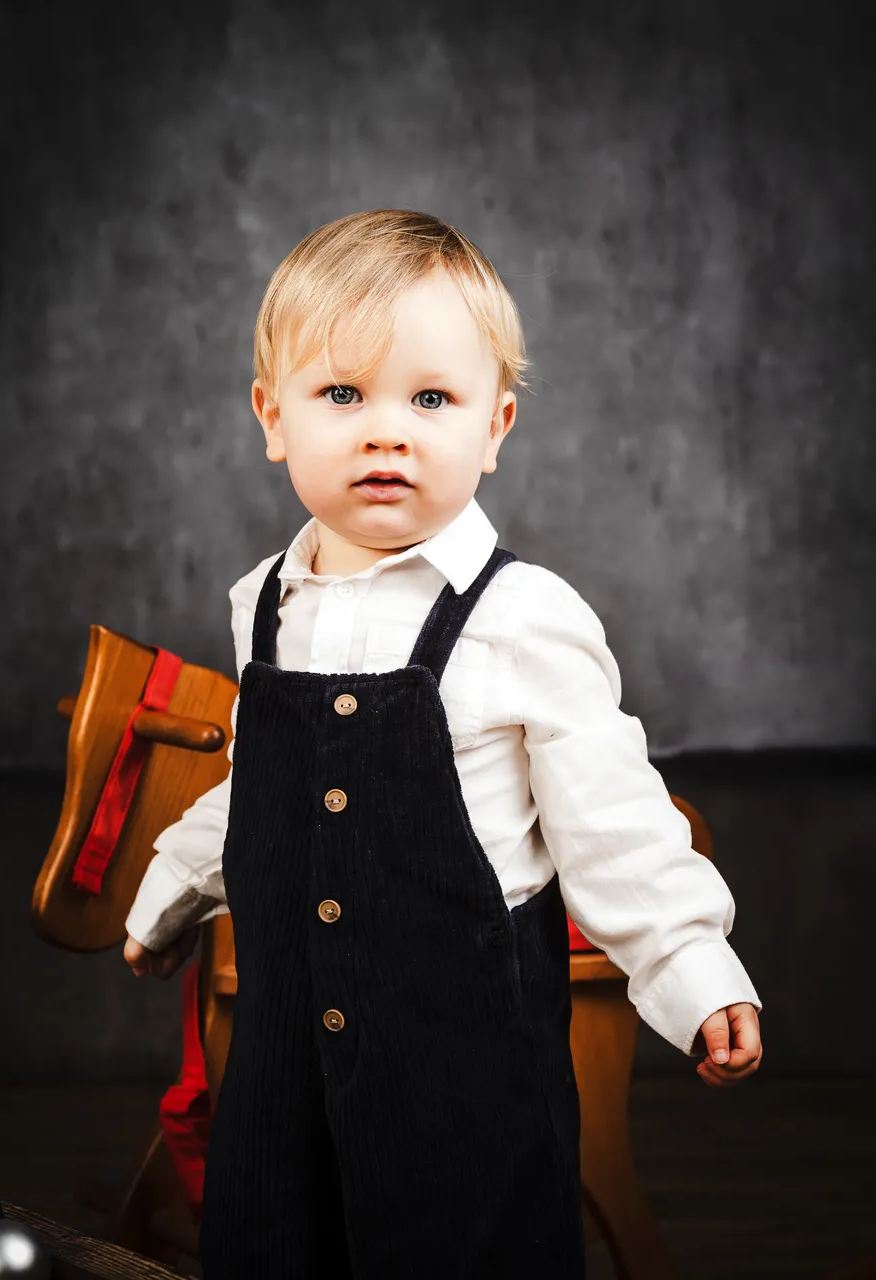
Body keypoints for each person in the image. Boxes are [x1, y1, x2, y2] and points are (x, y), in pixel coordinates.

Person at [122, 209, 763, 1278]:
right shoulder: (265, 603)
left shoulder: (525, 617)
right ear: (271, 416)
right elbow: (261, 783)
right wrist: (172, 889)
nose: (387, 431)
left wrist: (692, 964)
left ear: (496, 426)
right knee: (276, 1240)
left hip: (462, 1062)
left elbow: (613, 821)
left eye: (430, 399)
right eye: (342, 394)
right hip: (287, 1070)